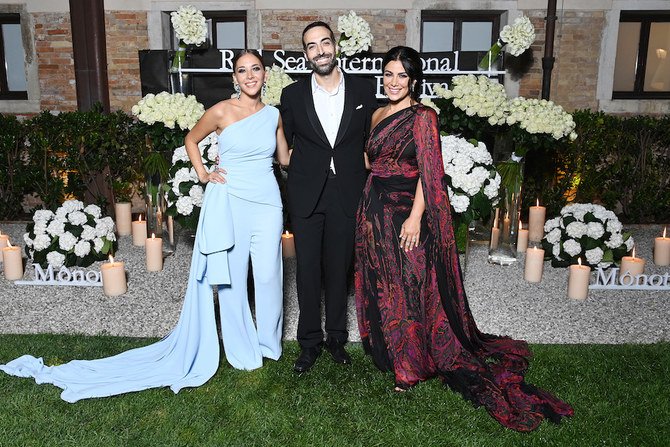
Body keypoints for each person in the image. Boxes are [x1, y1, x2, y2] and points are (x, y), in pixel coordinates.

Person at [0, 50, 291, 402]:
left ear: (264, 74)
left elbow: (285, 158)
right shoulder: (220, 111)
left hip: (267, 202)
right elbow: (190, 141)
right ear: (234, 78)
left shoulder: (274, 115)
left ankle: (269, 344)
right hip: (230, 200)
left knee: (269, 275)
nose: (249, 76)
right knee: (229, 275)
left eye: (255, 69)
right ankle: (242, 350)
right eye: (242, 70)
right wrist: (203, 173)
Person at [354, 46, 574, 432]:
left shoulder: (424, 117)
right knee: (384, 283)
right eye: (388, 74)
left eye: (401, 76)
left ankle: (410, 366)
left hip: (406, 213)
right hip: (374, 212)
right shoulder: (376, 114)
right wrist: (377, 184)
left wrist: (416, 217)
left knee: (411, 285)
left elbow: (429, 172)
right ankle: (390, 351)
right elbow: (369, 160)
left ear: (414, 80)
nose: (393, 82)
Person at [279, 21, 377, 373]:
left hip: (347, 192)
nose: (319, 50)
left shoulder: (364, 92)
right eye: (311, 46)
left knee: (339, 269)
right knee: (307, 271)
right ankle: (309, 342)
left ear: (335, 46)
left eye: (324, 42)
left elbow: (373, 142)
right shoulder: (292, 96)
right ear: (305, 54)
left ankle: (336, 337)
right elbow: (280, 142)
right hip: (307, 193)